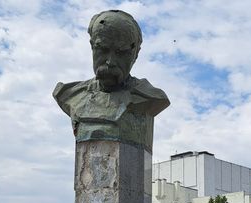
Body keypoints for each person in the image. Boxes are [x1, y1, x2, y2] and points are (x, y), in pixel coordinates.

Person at [53, 10, 170, 149]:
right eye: (102, 49)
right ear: (92, 46)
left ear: (135, 54)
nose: (110, 62)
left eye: (121, 52)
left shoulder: (149, 97)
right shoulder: (69, 94)